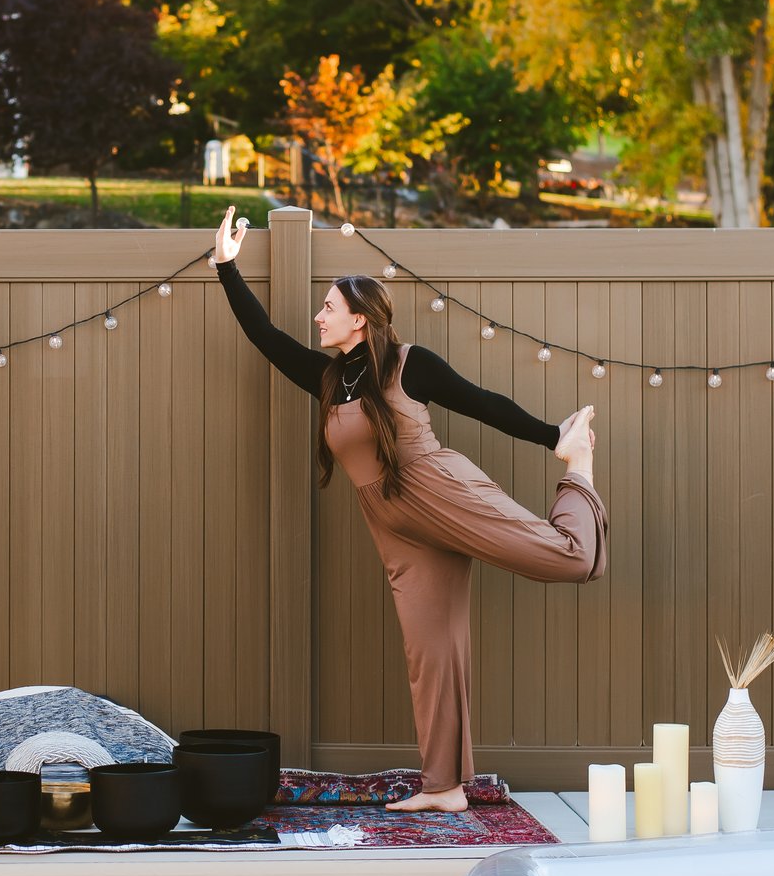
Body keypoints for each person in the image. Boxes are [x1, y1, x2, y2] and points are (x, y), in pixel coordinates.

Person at [211, 207, 605, 811]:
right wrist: (226, 266)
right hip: (394, 525)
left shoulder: (407, 365)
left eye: (328, 309)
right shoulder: (327, 379)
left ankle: (579, 475)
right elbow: (265, 338)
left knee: (567, 560)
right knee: (432, 653)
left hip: (438, 488)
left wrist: (556, 439)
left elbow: (482, 403)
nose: (318, 316)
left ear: (360, 321)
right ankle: (444, 787)